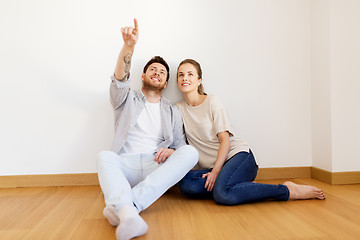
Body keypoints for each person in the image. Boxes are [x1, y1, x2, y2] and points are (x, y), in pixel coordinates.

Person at [97, 20, 198, 240]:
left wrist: (172, 152)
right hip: (126, 164)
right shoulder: (125, 99)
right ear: (142, 76)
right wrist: (129, 47)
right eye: (152, 69)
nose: (157, 73)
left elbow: (180, 147)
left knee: (191, 153)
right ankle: (130, 208)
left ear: (165, 82)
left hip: (156, 165)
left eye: (162, 72)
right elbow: (119, 80)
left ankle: (125, 208)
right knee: (104, 156)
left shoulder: (173, 111)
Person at [175, 59, 325, 205]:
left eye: (190, 74)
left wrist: (215, 172)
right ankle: (235, 184)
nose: (185, 78)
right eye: (181, 75)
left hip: (238, 157)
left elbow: (225, 142)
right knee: (187, 184)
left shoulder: (212, 101)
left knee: (222, 194)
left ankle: (287, 190)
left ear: (199, 80)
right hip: (210, 166)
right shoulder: (178, 109)